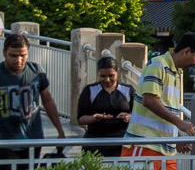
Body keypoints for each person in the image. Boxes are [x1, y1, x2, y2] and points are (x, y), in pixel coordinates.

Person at [122, 31, 195, 169]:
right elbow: (149, 100)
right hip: (145, 144)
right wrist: (180, 123)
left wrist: (177, 137)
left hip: (166, 148)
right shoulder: (158, 64)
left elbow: (166, 108)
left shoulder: (176, 72)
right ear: (186, 51)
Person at [0, 33, 65, 161]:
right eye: (13, 55)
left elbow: (48, 101)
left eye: (22, 55)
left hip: (32, 136)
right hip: (4, 138)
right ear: (4, 52)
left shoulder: (36, 71)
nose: (18, 60)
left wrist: (60, 130)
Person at [76, 56, 134, 156]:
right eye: (103, 76)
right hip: (95, 141)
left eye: (111, 76)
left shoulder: (128, 90)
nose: (107, 80)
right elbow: (81, 118)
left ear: (118, 71)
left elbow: (138, 114)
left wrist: (129, 117)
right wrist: (94, 118)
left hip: (122, 142)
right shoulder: (90, 90)